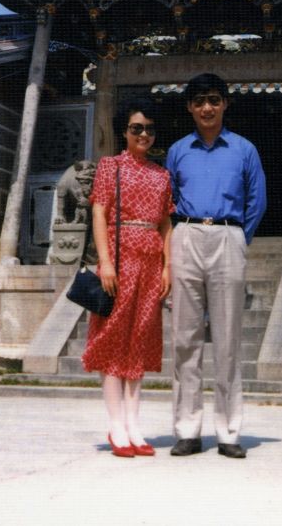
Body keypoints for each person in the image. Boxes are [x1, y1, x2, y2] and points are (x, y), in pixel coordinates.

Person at [166, 73, 267, 459]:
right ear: (189, 108)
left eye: (213, 99)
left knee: (227, 340)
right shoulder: (178, 151)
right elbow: (170, 198)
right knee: (184, 339)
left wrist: (238, 238)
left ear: (225, 104)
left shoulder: (244, 150)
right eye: (199, 101)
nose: (206, 107)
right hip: (187, 235)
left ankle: (228, 432)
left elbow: (256, 200)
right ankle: (187, 429)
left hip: (228, 235)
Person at [82, 98, 174, 458]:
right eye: (137, 128)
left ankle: (135, 425)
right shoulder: (111, 167)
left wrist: (168, 266)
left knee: (141, 339)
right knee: (112, 340)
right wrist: (105, 262)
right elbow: (99, 213)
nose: (144, 134)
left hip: (151, 263)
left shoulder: (161, 174)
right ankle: (116, 424)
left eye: (150, 129)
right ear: (125, 131)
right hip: (119, 262)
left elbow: (167, 223)